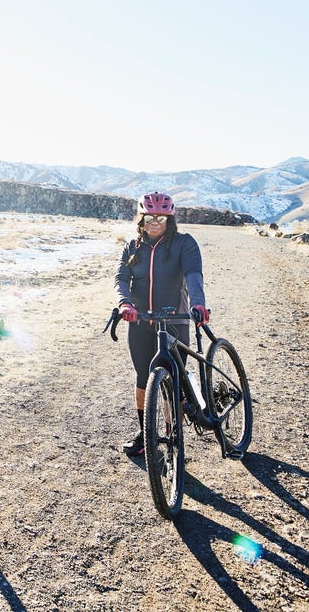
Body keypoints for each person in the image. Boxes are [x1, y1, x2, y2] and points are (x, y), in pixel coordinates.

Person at [114, 191, 210, 456]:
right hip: (141, 320)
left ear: (170, 219)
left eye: (161, 217)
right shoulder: (132, 247)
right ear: (141, 218)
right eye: (149, 217)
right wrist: (125, 304)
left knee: (174, 381)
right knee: (144, 378)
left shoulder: (184, 244)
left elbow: (193, 275)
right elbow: (121, 279)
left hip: (175, 319)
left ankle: (173, 435)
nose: (155, 222)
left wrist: (197, 303)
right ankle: (146, 435)